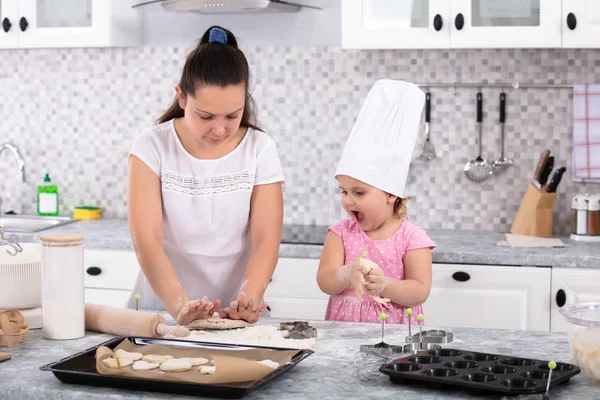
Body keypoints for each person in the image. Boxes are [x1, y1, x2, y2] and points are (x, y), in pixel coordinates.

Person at [126, 26, 284, 325]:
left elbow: (266, 241)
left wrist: (248, 299)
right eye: (206, 116)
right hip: (159, 313)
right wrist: (179, 306)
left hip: (235, 315)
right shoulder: (152, 146)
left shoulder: (260, 148)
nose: (220, 129)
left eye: (233, 115)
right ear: (181, 97)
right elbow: (147, 240)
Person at [316, 79, 436, 324]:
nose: (348, 201)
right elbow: (325, 282)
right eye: (344, 191)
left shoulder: (412, 238)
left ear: (391, 194)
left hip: (397, 340)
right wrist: (347, 273)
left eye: (359, 193)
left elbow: (420, 290)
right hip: (344, 338)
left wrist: (385, 285)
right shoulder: (340, 234)